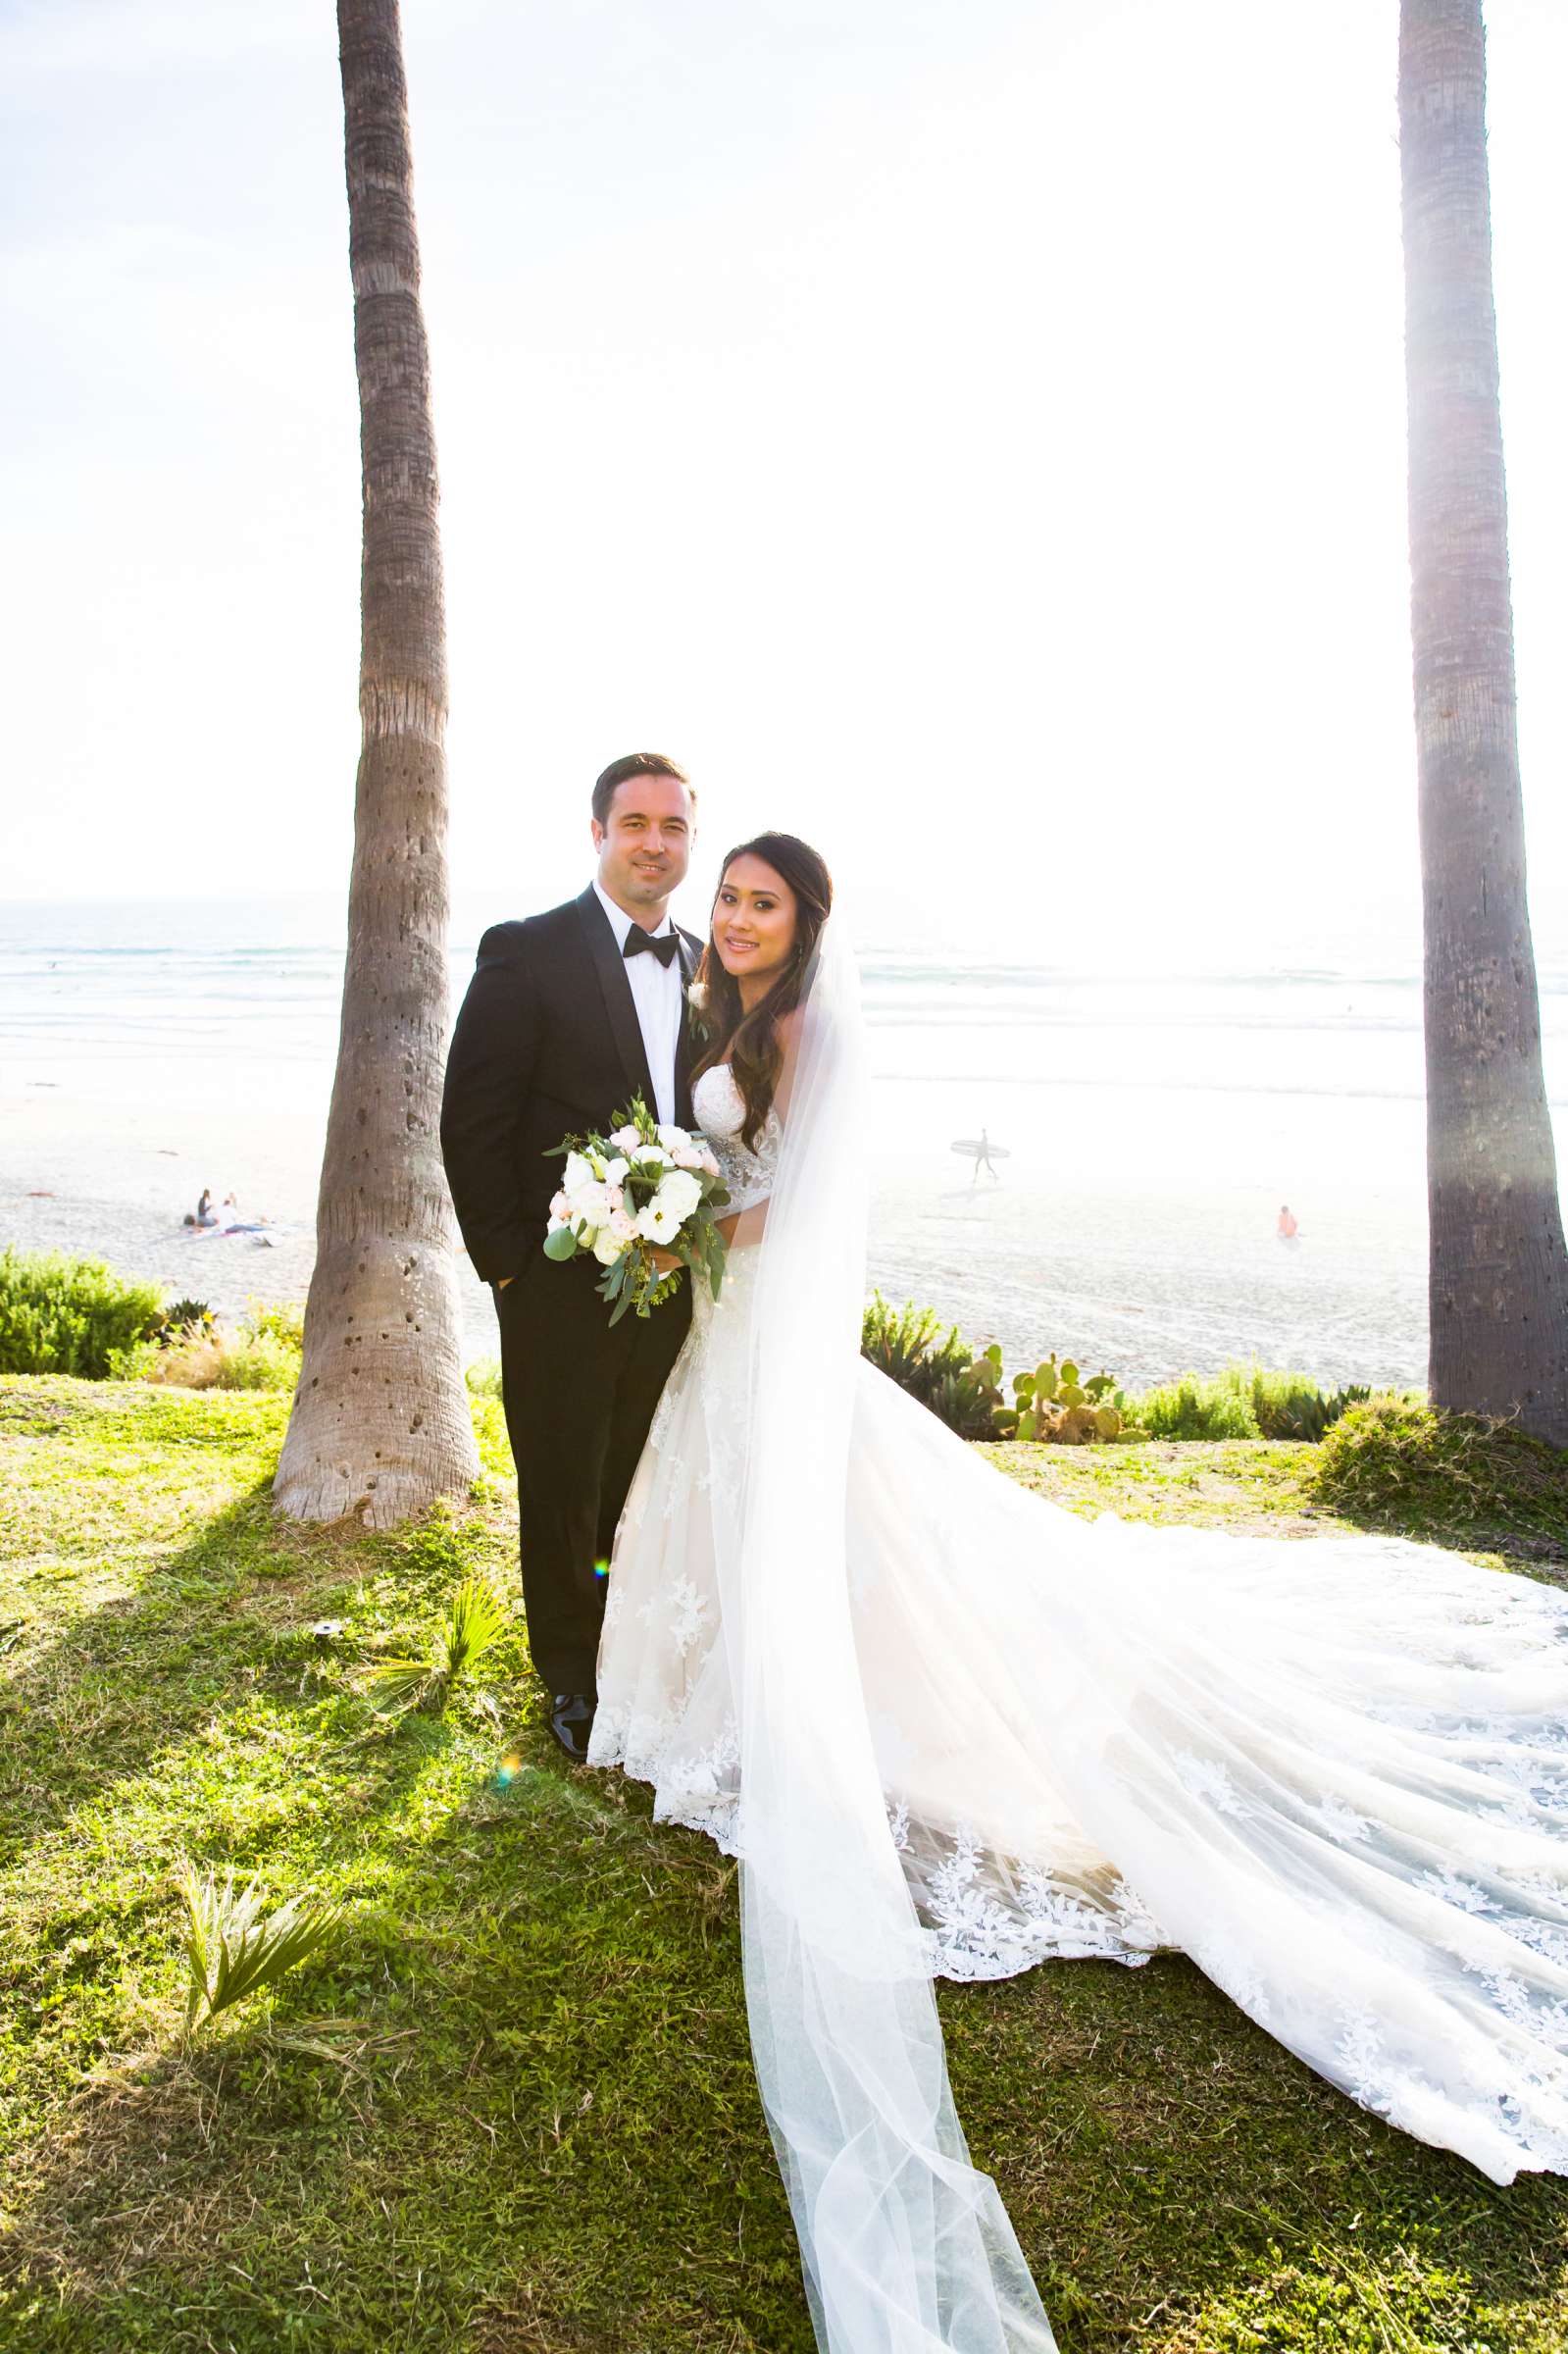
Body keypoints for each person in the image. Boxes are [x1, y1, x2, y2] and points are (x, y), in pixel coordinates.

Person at [589, 832, 1568, 2354]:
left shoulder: (806, 1028)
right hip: (723, 1328)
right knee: (746, 1519)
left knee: (825, 1520)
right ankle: (723, 1686)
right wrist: (663, 1206)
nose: (729, 916)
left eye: (757, 901)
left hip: (767, 1317)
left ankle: (843, 1702)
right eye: (724, 897)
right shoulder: (722, 1016)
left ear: (805, 921)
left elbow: (801, 1199)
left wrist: (674, 1215)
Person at [439, 753, 704, 1766]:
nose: (653, 843)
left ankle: (635, 1659)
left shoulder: (702, 963)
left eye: (672, 827)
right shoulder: (528, 951)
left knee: (644, 1479)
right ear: (597, 833)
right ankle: (569, 1678)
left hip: (676, 1288)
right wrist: (509, 1266)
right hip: (556, 1288)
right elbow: (473, 1118)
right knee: (562, 1484)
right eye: (633, 823)